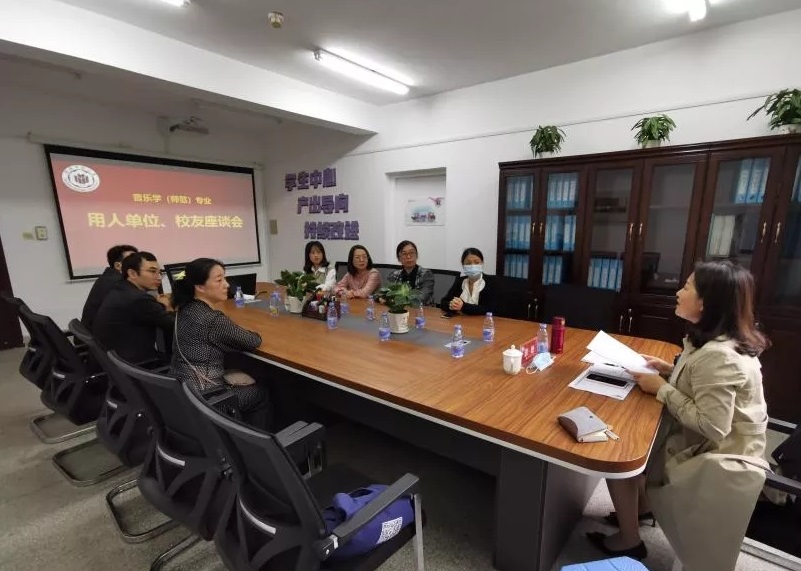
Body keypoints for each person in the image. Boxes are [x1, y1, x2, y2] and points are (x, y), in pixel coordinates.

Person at [587, 260, 770, 570]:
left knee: (620, 448)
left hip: (713, 457)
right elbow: (702, 384)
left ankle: (629, 540)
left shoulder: (719, 356)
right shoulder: (716, 339)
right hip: (712, 442)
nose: (678, 292)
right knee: (635, 432)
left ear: (705, 303)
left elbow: (712, 426)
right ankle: (641, 509)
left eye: (686, 287)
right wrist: (668, 370)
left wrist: (662, 388)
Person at [170, 258, 271, 429]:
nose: (226, 285)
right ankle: (254, 441)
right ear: (200, 287)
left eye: (224, 278)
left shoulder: (185, 308)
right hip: (209, 398)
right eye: (219, 280)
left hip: (182, 390)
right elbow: (253, 341)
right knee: (260, 393)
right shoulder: (212, 320)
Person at [93, 251, 174, 364]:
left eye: (160, 273)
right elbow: (173, 325)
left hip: (113, 361)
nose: (159, 277)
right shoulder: (139, 299)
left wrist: (161, 305)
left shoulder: (120, 289)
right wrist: (169, 306)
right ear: (132, 273)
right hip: (134, 365)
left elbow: (145, 311)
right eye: (152, 271)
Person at [81, 244, 138, 331]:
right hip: (102, 335)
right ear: (118, 266)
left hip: (94, 331)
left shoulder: (107, 277)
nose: (139, 264)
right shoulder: (118, 283)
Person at [439, 247, 497, 315]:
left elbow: (489, 309)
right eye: (468, 263)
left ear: (482, 263)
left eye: (476, 262)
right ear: (463, 265)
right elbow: (443, 302)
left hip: (482, 321)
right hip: (461, 320)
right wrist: (452, 305)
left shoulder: (491, 282)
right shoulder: (460, 281)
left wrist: (463, 307)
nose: (472, 266)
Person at [386, 240, 435, 306]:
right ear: (399, 258)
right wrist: (382, 297)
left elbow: (422, 297)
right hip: (400, 310)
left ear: (417, 255)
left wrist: (395, 300)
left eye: (411, 253)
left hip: (422, 310)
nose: (408, 257)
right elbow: (383, 293)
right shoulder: (394, 275)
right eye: (404, 254)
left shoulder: (426, 274)